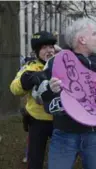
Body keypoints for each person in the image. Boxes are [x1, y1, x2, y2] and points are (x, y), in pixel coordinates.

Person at [35, 18, 96, 169]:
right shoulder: (55, 62)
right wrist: (49, 89)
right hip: (63, 134)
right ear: (82, 39)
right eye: (93, 34)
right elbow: (37, 95)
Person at [10, 31, 56, 169]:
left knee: (60, 159)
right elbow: (14, 88)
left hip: (60, 121)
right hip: (37, 122)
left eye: (51, 47)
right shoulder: (30, 67)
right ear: (37, 51)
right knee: (35, 159)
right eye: (44, 48)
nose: (49, 51)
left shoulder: (61, 64)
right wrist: (26, 80)